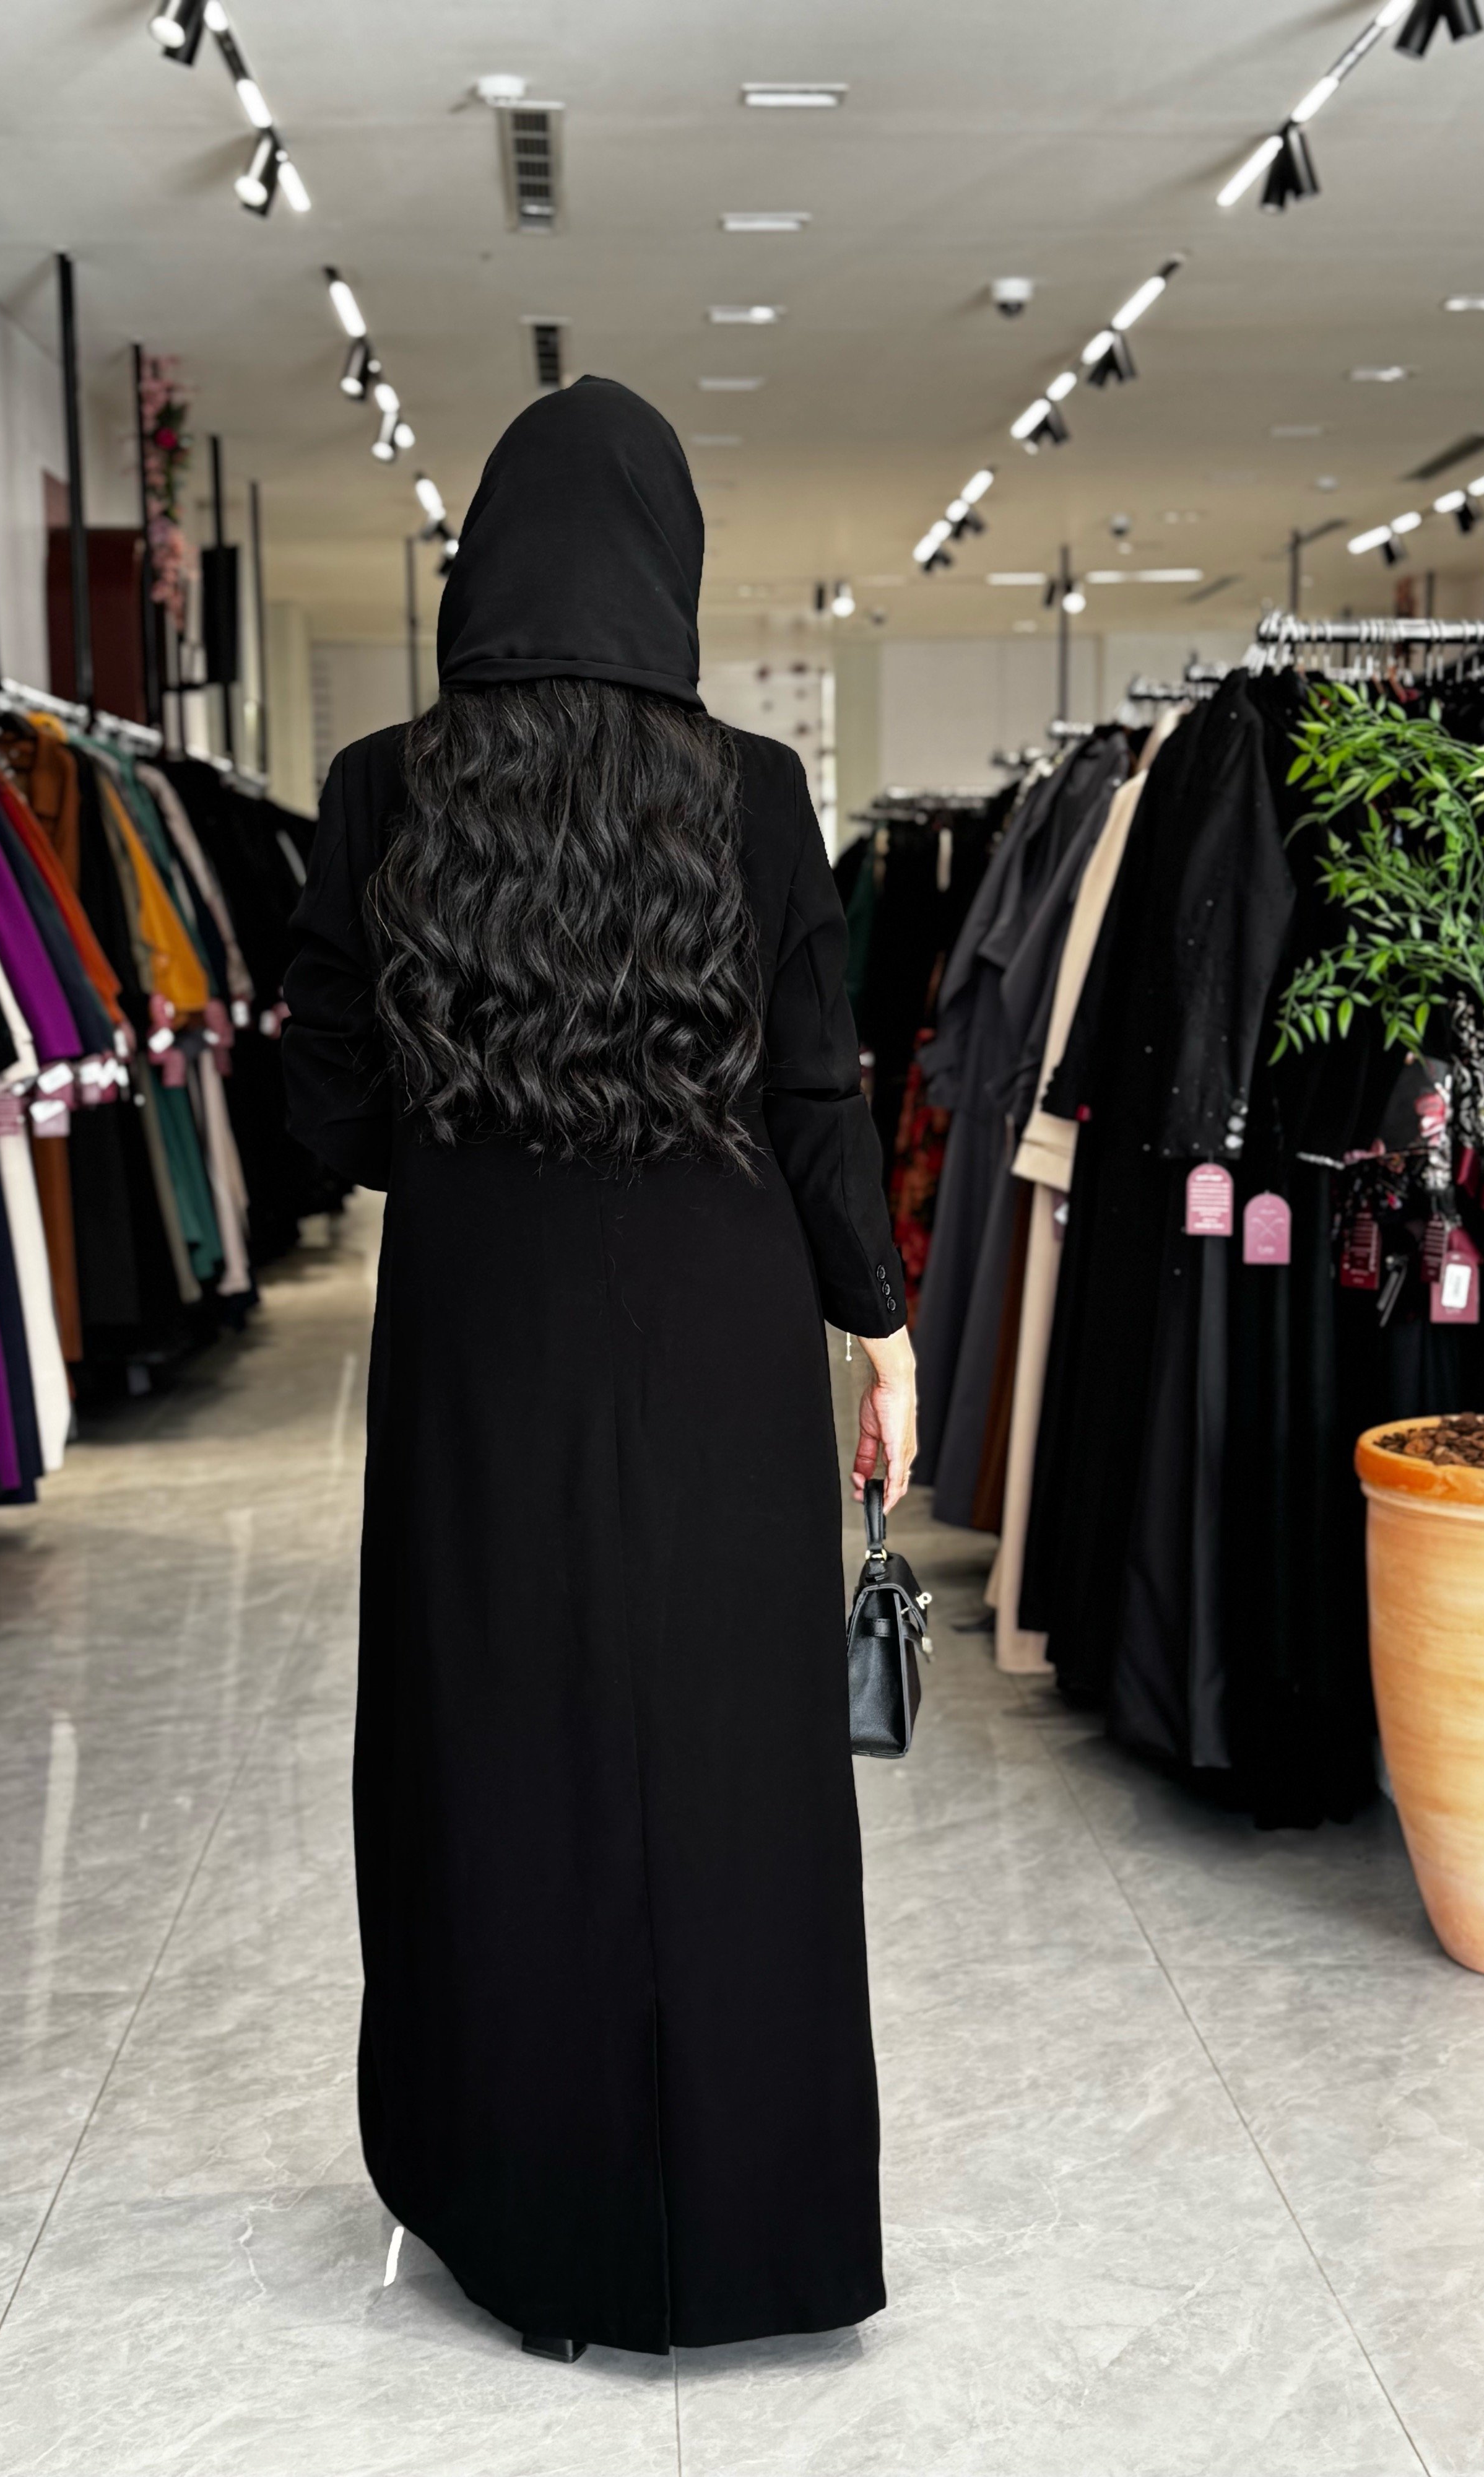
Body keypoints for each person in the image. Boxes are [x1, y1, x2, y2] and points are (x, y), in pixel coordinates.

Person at [283, 375, 917, 2362]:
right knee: (731, 1759)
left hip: (482, 1341)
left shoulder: (381, 790)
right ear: (670, 562)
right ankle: (747, 2228)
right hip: (725, 1331)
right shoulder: (758, 795)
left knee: (499, 1745)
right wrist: (881, 1325)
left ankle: (532, 2223)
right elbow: (818, 1098)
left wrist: (467, 1101)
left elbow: (325, 1120)